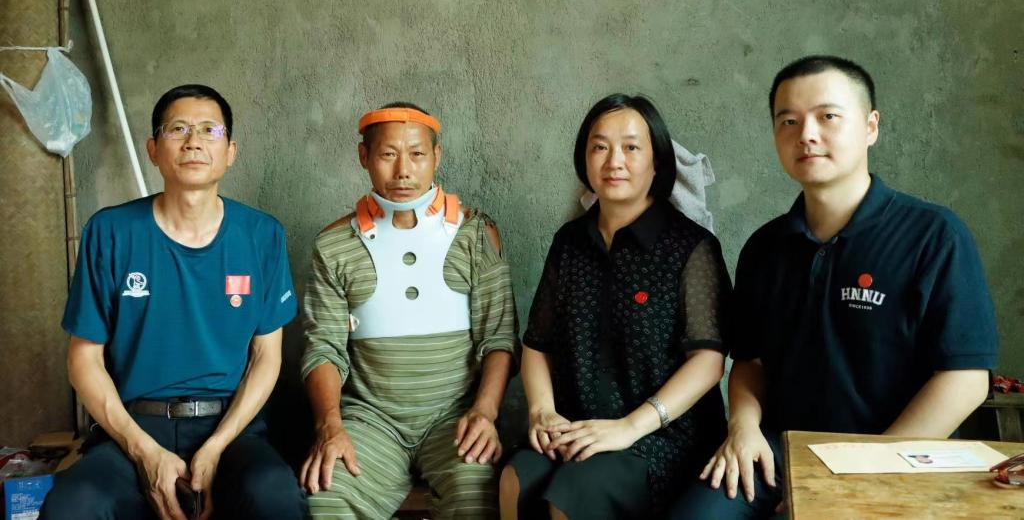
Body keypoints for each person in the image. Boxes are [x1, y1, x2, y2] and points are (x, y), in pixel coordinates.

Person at [669, 56, 999, 519]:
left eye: (827, 116)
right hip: (779, 453)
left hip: (900, 457)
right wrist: (742, 426)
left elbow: (965, 379)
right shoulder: (764, 247)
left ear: (870, 127)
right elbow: (750, 361)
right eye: (788, 121)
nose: (806, 134)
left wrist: (864, 468)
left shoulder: (934, 234)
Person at [41, 84, 307, 520]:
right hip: (132, 428)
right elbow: (83, 360)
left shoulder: (262, 235)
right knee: (73, 504)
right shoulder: (111, 232)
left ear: (230, 151)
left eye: (209, 130)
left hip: (232, 428)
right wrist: (143, 451)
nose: (193, 141)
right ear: (153, 149)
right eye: (178, 129)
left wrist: (217, 446)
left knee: (274, 494)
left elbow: (267, 357)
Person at [499, 94, 731, 519]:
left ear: (657, 163)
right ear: (584, 159)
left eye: (631, 147)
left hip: (663, 434)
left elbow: (709, 362)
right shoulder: (570, 242)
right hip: (579, 425)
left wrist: (629, 427)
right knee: (518, 477)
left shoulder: (691, 247)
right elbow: (537, 344)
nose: (614, 162)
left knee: (575, 492)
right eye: (600, 147)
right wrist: (542, 412)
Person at [300, 103, 520, 519]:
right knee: (326, 496)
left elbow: (500, 338)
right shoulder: (334, 245)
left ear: (436, 156)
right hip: (371, 422)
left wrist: (485, 412)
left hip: (454, 419)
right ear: (364, 156)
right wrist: (330, 426)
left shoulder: (475, 235)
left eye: (417, 154)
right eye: (388, 154)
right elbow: (322, 348)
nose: (403, 170)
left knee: (476, 496)